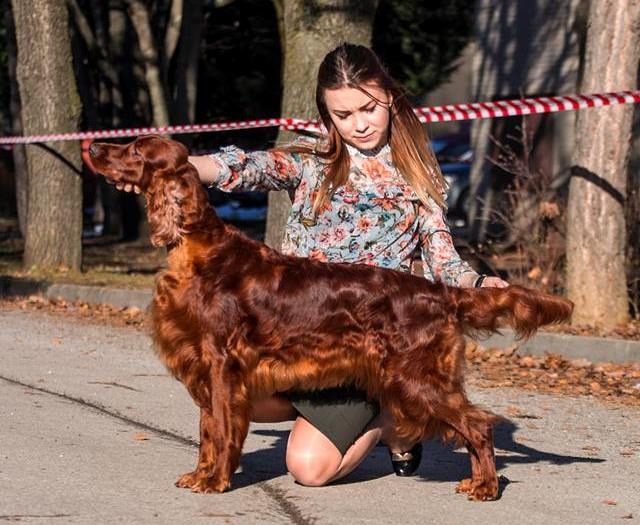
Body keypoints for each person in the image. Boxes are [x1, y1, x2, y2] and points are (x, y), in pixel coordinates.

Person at [117, 42, 508, 486]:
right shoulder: (311, 160)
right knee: (218, 381)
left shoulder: (417, 173)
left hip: (364, 339)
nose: (359, 124)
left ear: (390, 100)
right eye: (343, 115)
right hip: (292, 326)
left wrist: (477, 282)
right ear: (327, 115)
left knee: (308, 469)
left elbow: (442, 255)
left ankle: (392, 413)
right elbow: (248, 167)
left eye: (369, 109)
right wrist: (177, 167)